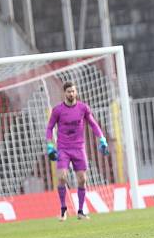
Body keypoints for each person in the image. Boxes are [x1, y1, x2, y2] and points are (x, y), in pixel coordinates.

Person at [46, 81, 110, 221]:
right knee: (62, 177)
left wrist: (102, 138)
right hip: (63, 148)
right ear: (64, 93)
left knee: (82, 179)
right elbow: (49, 128)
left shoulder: (83, 108)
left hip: (79, 148)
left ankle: (80, 211)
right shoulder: (57, 110)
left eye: (73, 91)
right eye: (69, 91)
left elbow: (93, 124)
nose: (71, 94)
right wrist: (50, 145)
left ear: (76, 92)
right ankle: (63, 209)